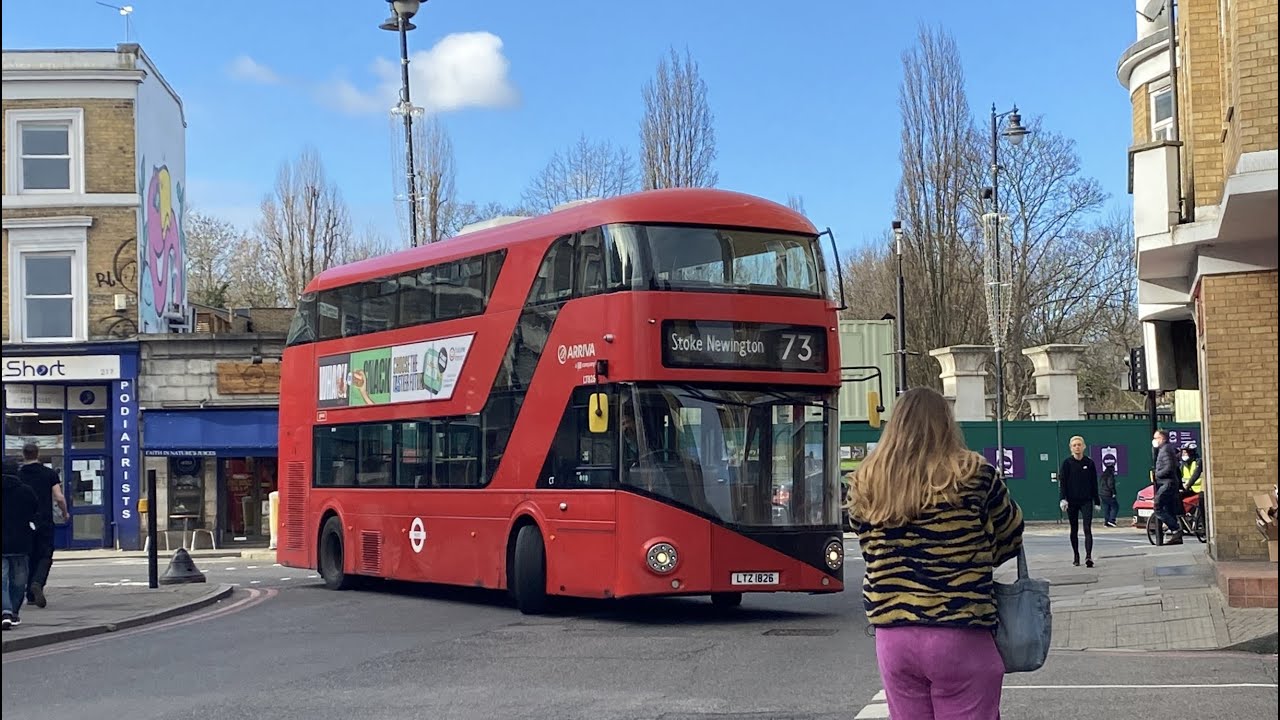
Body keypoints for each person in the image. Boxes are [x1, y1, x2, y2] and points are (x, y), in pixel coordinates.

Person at [846, 387, 1024, 719]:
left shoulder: (867, 480)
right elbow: (1011, 533)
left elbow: (869, 547)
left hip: (893, 634)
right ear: (946, 423)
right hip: (959, 627)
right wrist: (973, 558)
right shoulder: (974, 474)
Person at [19, 443, 66, 609]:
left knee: (28, 556)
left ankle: (30, 593)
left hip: (24, 522)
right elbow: (59, 497)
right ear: (38, 454)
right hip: (44, 520)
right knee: (45, 555)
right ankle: (37, 582)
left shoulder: (19, 474)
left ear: (23, 454)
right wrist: (65, 514)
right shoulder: (49, 473)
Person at [3, 457, 40, 630]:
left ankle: (5, 611)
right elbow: (35, 511)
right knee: (18, 581)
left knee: (2, 581)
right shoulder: (26, 491)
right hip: (20, 542)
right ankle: (13, 612)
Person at [1058, 436, 1100, 568]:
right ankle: (1076, 555)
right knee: (1074, 528)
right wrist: (1063, 498)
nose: (1077, 447)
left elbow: (1094, 483)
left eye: (1079, 445)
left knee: (1087, 528)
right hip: (1072, 500)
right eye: (1074, 445)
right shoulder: (1067, 463)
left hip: (1086, 500)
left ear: (1084, 446)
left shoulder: (1089, 463)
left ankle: (1088, 556)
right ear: (1071, 448)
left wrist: (1097, 501)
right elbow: (1063, 483)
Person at [1152, 430, 1184, 544]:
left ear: (1162, 438)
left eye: (1156, 438)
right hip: (1168, 483)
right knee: (1169, 509)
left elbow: (1169, 467)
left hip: (1167, 483)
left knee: (1157, 506)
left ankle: (1176, 529)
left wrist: (1157, 474)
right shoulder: (1165, 449)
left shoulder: (1165, 450)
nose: (1154, 441)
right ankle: (1176, 537)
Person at [1099, 462, 1119, 528]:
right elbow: (1110, 485)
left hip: (1102, 494)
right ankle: (1111, 520)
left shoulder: (1103, 475)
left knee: (1106, 508)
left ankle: (1106, 522)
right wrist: (1113, 493)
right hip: (1108, 494)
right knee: (1115, 507)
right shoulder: (1110, 475)